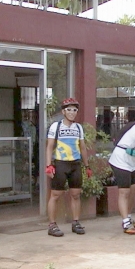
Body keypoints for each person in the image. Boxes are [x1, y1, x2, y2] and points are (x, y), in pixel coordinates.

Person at [45, 98, 92, 237]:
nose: (72, 112)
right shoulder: (56, 126)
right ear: (63, 112)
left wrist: (87, 166)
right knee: (55, 195)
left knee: (76, 194)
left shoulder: (78, 128)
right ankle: (52, 225)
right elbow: (49, 147)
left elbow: (82, 148)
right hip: (60, 163)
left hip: (75, 164)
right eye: (69, 109)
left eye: (75, 110)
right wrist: (49, 165)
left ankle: (76, 222)